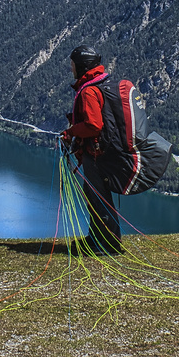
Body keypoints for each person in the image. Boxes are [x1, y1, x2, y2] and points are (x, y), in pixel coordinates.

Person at [60, 45, 123, 255]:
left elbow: (93, 125)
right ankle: (96, 238)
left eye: (73, 65)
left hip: (96, 154)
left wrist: (70, 133)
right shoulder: (101, 84)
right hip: (104, 151)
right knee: (95, 195)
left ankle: (106, 244)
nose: (71, 70)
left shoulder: (88, 91)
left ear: (82, 66)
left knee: (97, 197)